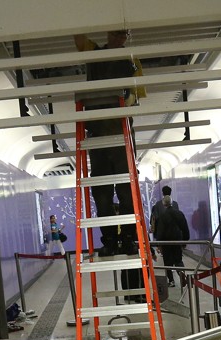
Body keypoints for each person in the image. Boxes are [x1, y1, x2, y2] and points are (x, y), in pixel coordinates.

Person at [74, 30, 142, 255]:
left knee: (125, 192)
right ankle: (111, 241)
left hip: (117, 133)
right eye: (116, 33)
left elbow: (137, 94)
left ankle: (129, 238)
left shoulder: (131, 59)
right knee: (102, 195)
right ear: (108, 34)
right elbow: (78, 37)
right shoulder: (96, 51)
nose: (119, 38)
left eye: (123, 34)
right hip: (100, 134)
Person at [152, 191, 189, 285]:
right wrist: (185, 240)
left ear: (164, 204)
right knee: (178, 260)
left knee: (167, 262)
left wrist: (158, 244)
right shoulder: (179, 213)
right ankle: (182, 276)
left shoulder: (162, 216)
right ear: (172, 203)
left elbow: (160, 231)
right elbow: (184, 227)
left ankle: (171, 281)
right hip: (177, 240)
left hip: (166, 243)